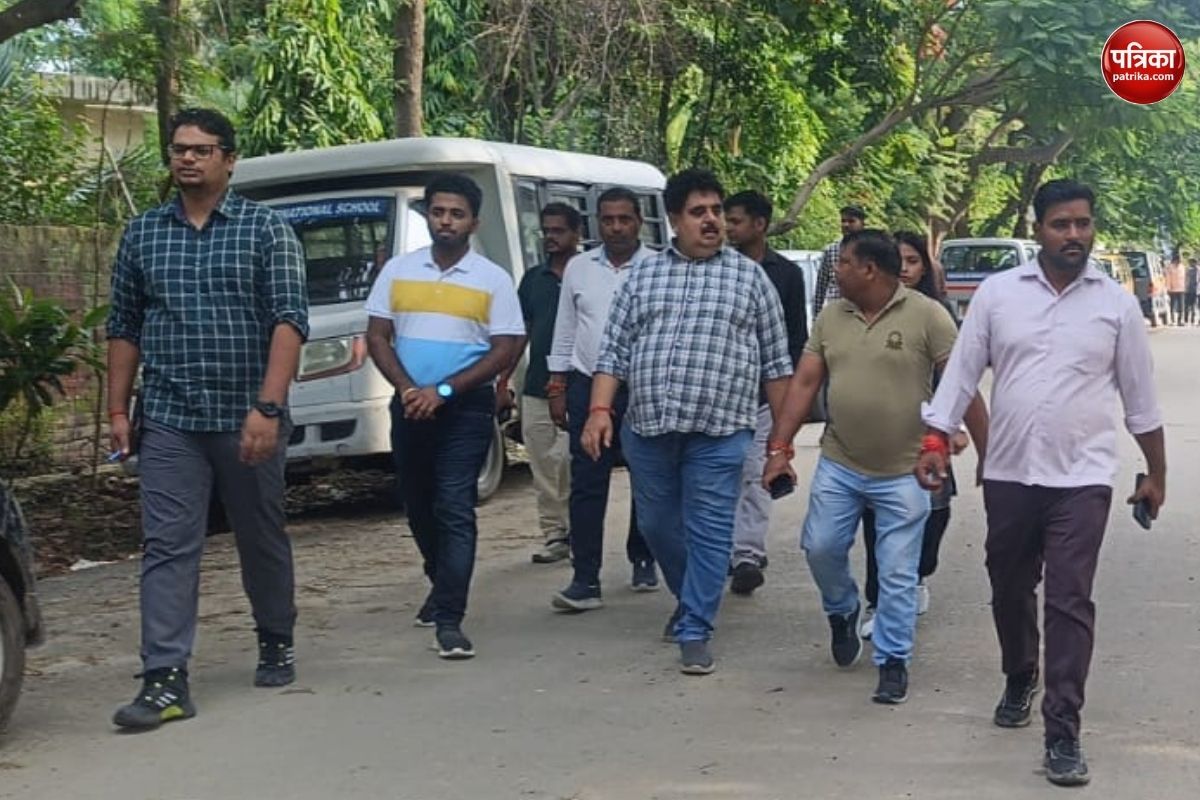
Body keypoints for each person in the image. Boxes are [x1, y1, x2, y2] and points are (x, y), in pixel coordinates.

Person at [917, 179, 1165, 787]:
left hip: (1083, 478)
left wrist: (1156, 473)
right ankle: (1019, 672)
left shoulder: (1116, 305)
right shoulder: (999, 295)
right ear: (1038, 230)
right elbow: (961, 373)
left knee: (1069, 600)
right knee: (1008, 585)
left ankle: (1063, 732)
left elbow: (1141, 400)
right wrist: (935, 440)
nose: (1074, 235)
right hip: (1010, 472)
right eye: (1061, 224)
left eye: (1083, 223)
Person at [106, 108, 309, 730]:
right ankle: (164, 677)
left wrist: (268, 407)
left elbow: (289, 321)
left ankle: (275, 636)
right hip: (170, 417)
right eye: (179, 149)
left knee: (259, 534)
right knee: (168, 544)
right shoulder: (143, 234)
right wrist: (117, 409)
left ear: (229, 159)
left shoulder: (266, 230)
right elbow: (124, 327)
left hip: (247, 415)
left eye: (201, 149)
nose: (187, 158)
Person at [762, 229, 987, 705]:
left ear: (869, 270)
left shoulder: (928, 315)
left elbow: (961, 385)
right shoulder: (831, 316)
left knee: (897, 571)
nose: (836, 271)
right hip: (841, 462)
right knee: (820, 547)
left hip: (907, 469)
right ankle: (842, 609)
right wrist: (779, 446)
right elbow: (805, 383)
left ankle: (893, 661)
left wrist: (988, 453)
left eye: (843, 262)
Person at [583, 168, 793, 675]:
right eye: (699, 212)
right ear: (675, 219)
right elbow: (613, 352)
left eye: (717, 211)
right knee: (656, 525)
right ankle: (690, 596)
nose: (712, 220)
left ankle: (696, 626)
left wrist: (780, 445)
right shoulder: (644, 275)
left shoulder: (750, 278)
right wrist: (599, 412)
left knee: (711, 528)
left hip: (722, 431)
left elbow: (777, 365)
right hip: (648, 428)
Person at [365, 173, 524, 660]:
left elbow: (506, 347)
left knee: (454, 505)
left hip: (465, 408)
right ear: (427, 216)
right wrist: (408, 389)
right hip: (410, 405)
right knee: (417, 504)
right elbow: (377, 336)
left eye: (457, 214)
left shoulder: (492, 279)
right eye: (438, 212)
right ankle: (440, 580)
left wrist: (447, 390)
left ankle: (450, 620)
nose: (446, 221)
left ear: (473, 222)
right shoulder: (398, 270)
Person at [857, 231, 978, 637]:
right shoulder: (863, 312)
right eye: (899, 261)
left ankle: (918, 573)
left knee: (934, 513)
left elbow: (956, 377)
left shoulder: (936, 314)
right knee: (877, 518)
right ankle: (878, 600)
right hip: (878, 438)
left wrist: (956, 426)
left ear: (925, 267)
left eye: (913, 261)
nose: (905, 269)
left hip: (930, 433)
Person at [546, 187, 660, 611]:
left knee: (646, 477)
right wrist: (557, 384)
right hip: (587, 384)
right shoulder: (579, 268)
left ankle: (643, 555)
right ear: (597, 223)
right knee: (587, 482)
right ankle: (585, 578)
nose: (616, 227)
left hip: (643, 386)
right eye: (608, 220)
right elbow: (566, 328)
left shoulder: (659, 266)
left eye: (624, 219)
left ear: (639, 222)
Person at [723, 190, 808, 596]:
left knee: (758, 471)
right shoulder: (716, 269)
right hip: (723, 392)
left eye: (735, 220)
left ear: (760, 224)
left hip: (765, 394)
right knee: (723, 474)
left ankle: (747, 554)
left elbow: (796, 337)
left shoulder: (786, 274)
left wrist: (790, 396)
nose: (727, 228)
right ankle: (722, 548)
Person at [517, 203, 581, 564]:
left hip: (579, 386)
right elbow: (521, 333)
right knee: (542, 464)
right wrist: (503, 382)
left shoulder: (587, 273)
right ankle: (555, 535)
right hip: (536, 386)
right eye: (546, 231)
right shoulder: (533, 279)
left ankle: (578, 529)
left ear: (576, 234)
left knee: (568, 460)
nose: (550, 237)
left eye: (559, 230)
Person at [811, 205, 867, 314]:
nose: (846, 225)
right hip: (836, 312)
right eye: (843, 221)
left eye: (851, 221)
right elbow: (821, 287)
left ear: (862, 224)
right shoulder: (831, 250)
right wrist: (817, 317)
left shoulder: (871, 250)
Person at [1165, 253, 1186, 325]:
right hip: (1172, 289)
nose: (1179, 261)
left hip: (1181, 289)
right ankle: (1173, 320)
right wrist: (1168, 288)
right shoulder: (1170, 267)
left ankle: (1180, 321)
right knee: (1173, 305)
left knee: (1181, 306)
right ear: (1175, 260)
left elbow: (1184, 277)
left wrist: (1185, 287)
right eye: (1178, 259)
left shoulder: (1182, 267)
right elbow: (1168, 278)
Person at [1185, 257, 1198, 326]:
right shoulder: (1188, 269)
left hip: (1194, 291)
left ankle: (1191, 320)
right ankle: (1187, 320)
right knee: (1189, 306)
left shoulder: (1197, 270)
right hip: (1189, 290)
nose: (1191, 263)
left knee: (1192, 306)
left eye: (1191, 262)